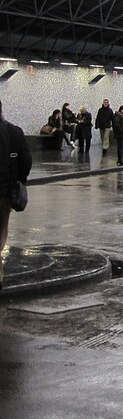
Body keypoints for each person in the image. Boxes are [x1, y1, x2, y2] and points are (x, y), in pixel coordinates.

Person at [0, 99, 32, 294]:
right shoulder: (14, 132)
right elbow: (26, 160)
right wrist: (20, 180)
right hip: (4, 192)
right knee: (1, 228)